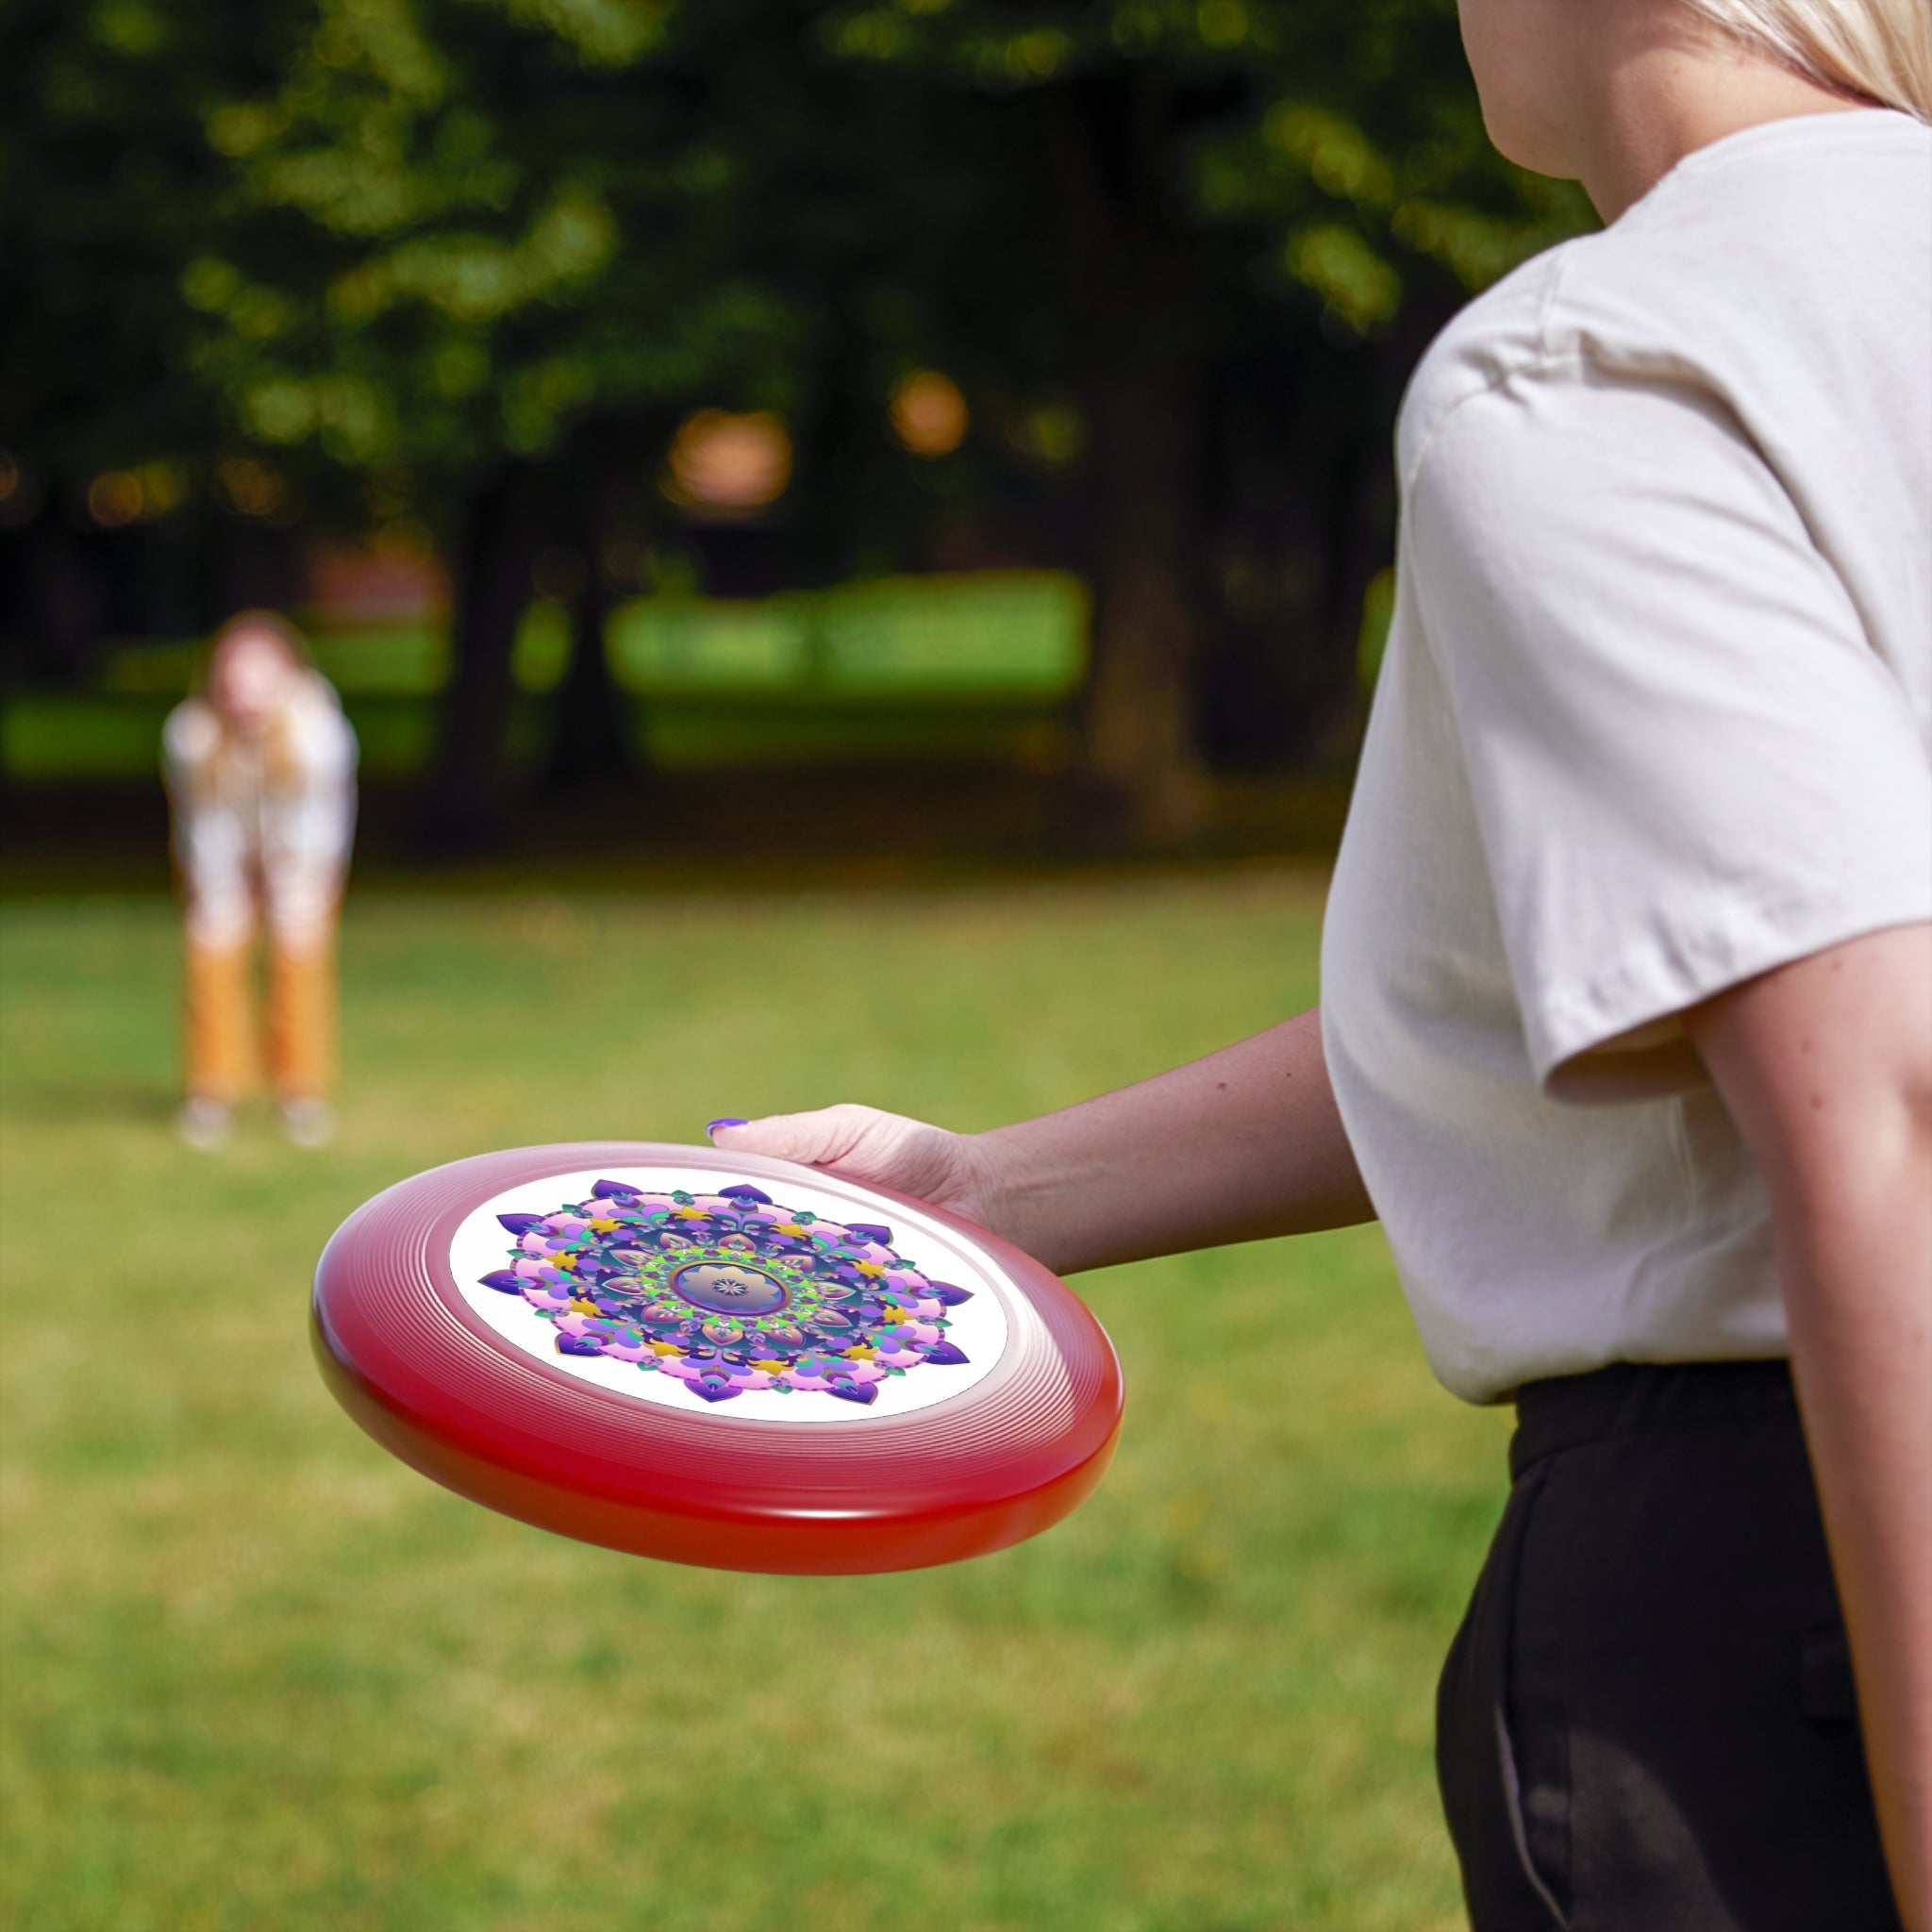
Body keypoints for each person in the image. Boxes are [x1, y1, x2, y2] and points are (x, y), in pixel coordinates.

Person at [705, 2, 1932, 1925]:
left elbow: (1885, 1101)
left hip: (1793, 1595)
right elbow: (1617, 992)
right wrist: (986, 1189)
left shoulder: (1608, 362)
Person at [162, 611, 358, 1150]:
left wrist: (288, 882)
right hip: (221, 856)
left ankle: (301, 1092)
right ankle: (212, 1091)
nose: (244, 691)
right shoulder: (191, 735)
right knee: (212, 952)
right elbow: (204, 824)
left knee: (299, 958)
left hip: (302, 858)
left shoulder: (319, 733)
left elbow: (317, 824)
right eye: (234, 675)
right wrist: (224, 889)